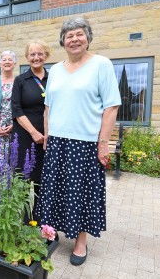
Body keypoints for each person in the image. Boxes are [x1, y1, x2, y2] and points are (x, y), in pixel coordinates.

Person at [38, 18, 121, 266]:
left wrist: (102, 143)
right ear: (62, 41)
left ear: (88, 37)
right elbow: (48, 108)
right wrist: (47, 136)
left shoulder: (101, 65)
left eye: (79, 34)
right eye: (69, 35)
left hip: (84, 144)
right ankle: (49, 235)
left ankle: (80, 242)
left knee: (81, 194)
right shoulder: (55, 70)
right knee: (53, 192)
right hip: (56, 142)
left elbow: (111, 107)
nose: (74, 39)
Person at [11, 40, 51, 222]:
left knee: (43, 180)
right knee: (23, 179)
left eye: (40, 53)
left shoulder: (54, 79)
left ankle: (40, 220)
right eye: (32, 54)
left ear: (46, 55)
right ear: (27, 57)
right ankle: (24, 220)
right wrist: (34, 132)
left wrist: (48, 133)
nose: (36, 57)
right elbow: (17, 110)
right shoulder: (20, 80)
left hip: (49, 137)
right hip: (25, 136)